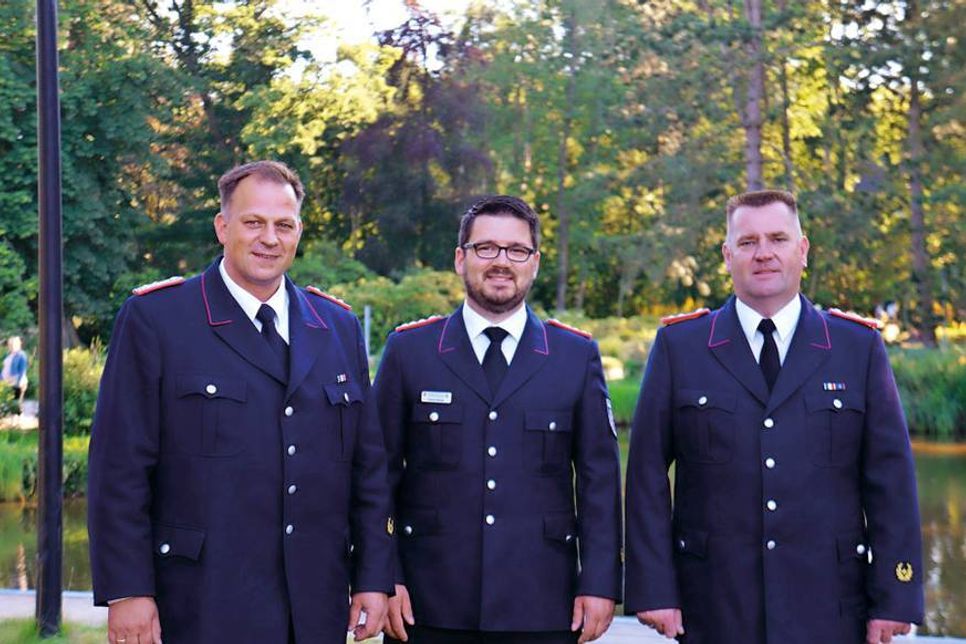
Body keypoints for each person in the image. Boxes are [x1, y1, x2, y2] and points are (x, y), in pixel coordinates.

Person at [88, 160, 393, 644]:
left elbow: (368, 469)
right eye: (253, 222)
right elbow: (118, 468)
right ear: (222, 226)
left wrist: (374, 577)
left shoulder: (337, 327)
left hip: (313, 605)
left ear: (298, 232)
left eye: (283, 225)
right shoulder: (158, 320)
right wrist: (128, 591)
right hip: (200, 601)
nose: (269, 238)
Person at [624, 190, 924, 643]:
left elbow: (890, 481)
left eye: (778, 239)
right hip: (713, 607)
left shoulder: (856, 347)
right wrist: (653, 588)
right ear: (727, 256)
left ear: (802, 250)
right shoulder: (680, 347)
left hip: (829, 607)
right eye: (747, 242)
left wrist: (896, 595)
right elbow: (646, 476)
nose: (763, 253)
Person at [374, 195, 623, 644]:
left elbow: (599, 482)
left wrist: (600, 583)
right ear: (460, 258)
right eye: (485, 248)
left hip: (543, 605)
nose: (501, 262)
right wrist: (382, 574)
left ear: (535, 262)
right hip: (426, 604)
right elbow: (376, 475)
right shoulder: (409, 352)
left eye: (516, 250)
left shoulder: (574, 356)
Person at [2, 336, 28, 414]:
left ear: (18, 344)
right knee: (10, 403)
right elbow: (5, 368)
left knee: (16, 404)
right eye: (10, 344)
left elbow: (23, 370)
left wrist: (20, 381)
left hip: (16, 382)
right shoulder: (9, 355)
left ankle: (18, 421)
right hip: (7, 382)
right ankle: (12, 420)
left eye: (13, 344)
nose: (11, 346)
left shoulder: (21, 355)